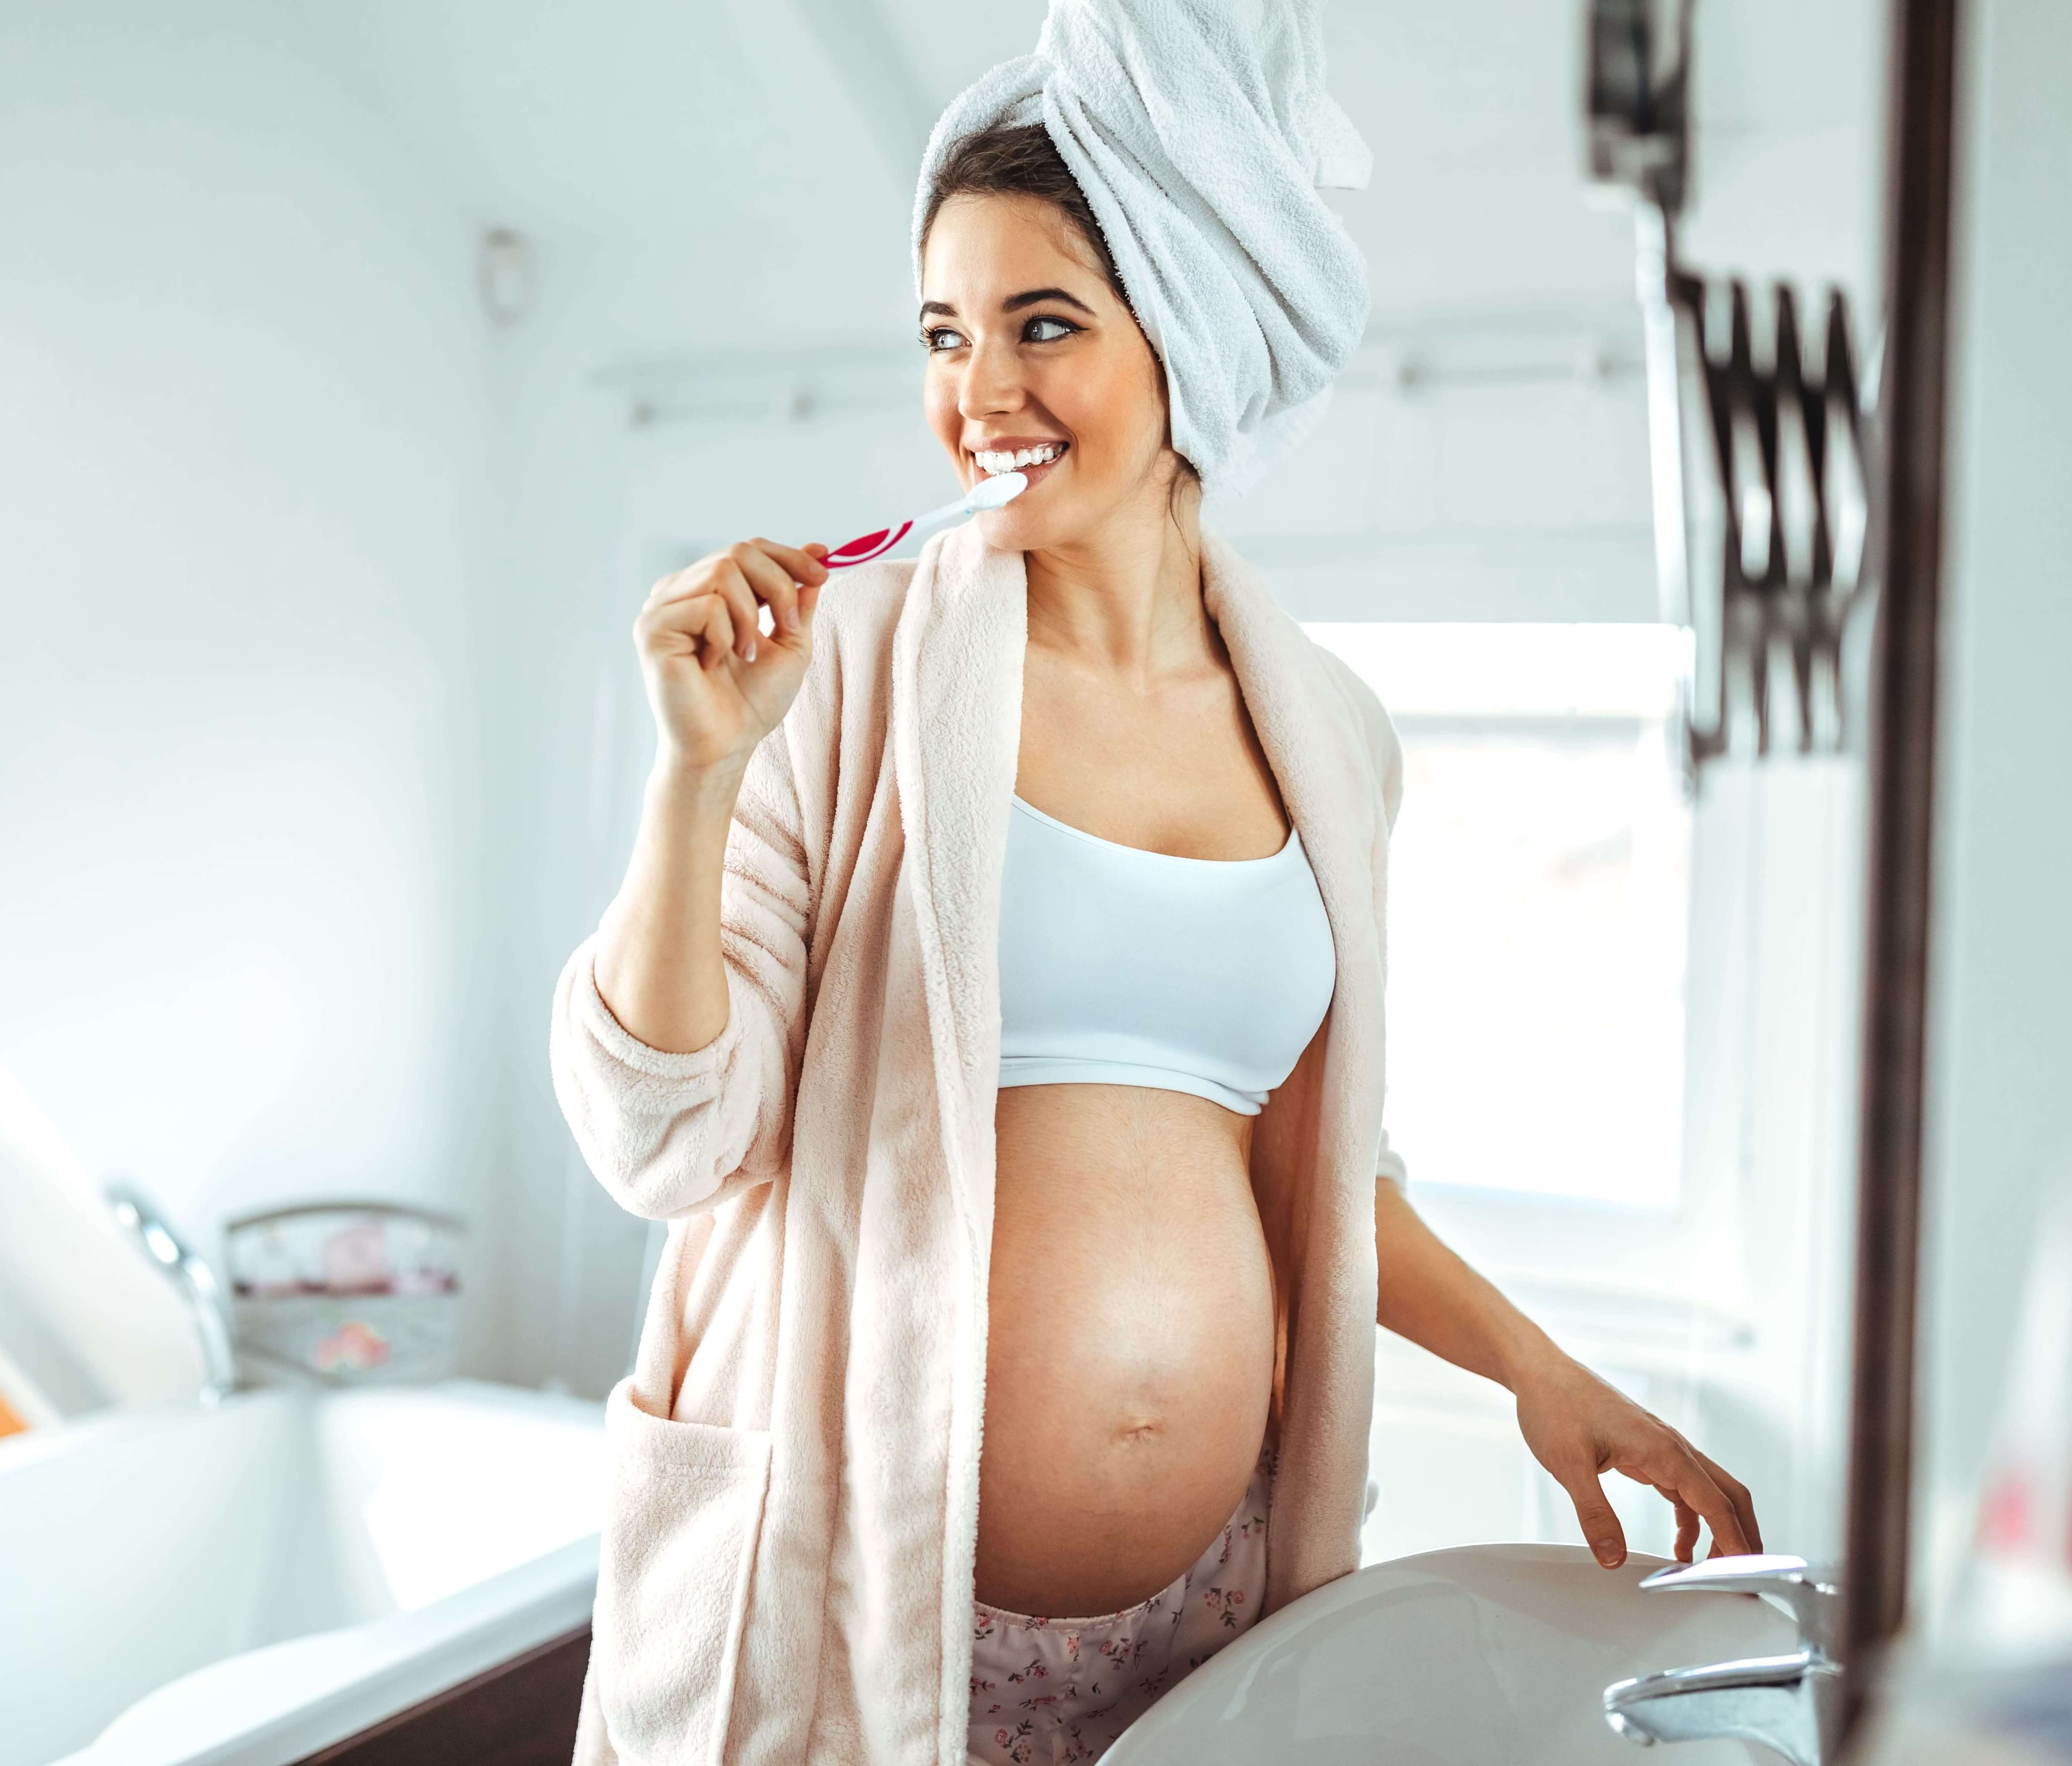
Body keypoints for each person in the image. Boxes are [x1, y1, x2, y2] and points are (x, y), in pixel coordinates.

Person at [550, 5, 1760, 1763]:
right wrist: (697, 773)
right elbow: (667, 1135)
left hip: (1198, 1628)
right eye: (944, 334)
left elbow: (1325, 1169)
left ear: (1187, 333)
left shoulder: (1332, 735)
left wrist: (1540, 1373)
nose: (978, 393)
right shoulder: (847, 665)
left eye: (1044, 325)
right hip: (863, 1601)